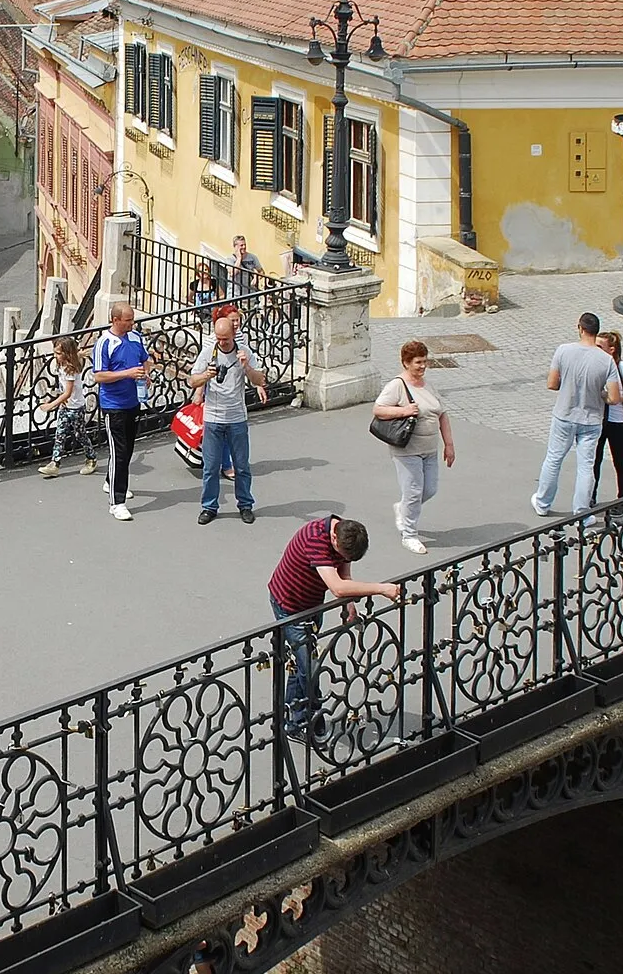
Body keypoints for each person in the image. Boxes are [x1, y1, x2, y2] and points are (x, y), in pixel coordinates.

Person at [267, 516, 402, 741]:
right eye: (342, 555)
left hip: (310, 605)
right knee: (310, 669)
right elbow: (338, 586)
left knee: (300, 664)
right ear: (333, 538)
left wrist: (349, 606)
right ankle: (305, 719)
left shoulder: (343, 534)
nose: (343, 559)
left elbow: (344, 575)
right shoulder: (315, 541)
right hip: (290, 606)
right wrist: (381, 589)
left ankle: (293, 719)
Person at [531, 312, 622, 519]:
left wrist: (569, 386)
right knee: (586, 466)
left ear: (579, 328)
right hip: (591, 420)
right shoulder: (606, 361)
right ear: (596, 331)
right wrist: (600, 393)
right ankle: (581, 511)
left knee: (554, 459)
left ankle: (543, 502)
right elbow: (615, 397)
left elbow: (552, 384)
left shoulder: (564, 351)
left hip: (564, 414)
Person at [372, 340, 458, 556]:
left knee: (429, 489)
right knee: (413, 491)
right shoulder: (397, 385)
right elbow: (378, 409)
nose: (422, 366)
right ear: (406, 363)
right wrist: (404, 411)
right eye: (418, 362)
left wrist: (449, 444)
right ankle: (409, 534)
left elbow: (442, 414)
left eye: (425, 362)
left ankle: (402, 509)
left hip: (430, 448)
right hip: (407, 449)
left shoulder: (427, 384)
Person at [189, 314, 267, 526]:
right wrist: (206, 376)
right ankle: (209, 507)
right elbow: (192, 379)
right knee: (211, 467)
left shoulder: (244, 352)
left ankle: (245, 505)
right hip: (213, 417)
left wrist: (247, 367)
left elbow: (260, 379)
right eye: (219, 338)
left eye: (225, 339)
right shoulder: (208, 352)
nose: (222, 342)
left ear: (233, 335)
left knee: (241, 466)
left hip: (236, 418)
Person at [92, 303, 150, 522]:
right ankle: (116, 502)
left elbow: (144, 360)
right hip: (113, 404)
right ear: (115, 320)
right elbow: (99, 376)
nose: (132, 323)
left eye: (132, 319)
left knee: (128, 448)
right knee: (119, 450)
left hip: (133, 401)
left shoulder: (135, 337)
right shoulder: (104, 343)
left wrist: (146, 373)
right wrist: (126, 373)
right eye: (128, 320)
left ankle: (111, 481)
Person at [34, 339, 100, 479]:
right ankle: (55, 463)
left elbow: (68, 392)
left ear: (66, 354)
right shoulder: (62, 364)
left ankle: (91, 458)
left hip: (75, 407)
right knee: (60, 434)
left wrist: (50, 405)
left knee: (79, 434)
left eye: (58, 353)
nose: (55, 356)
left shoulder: (70, 370)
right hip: (66, 405)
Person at [593, 330, 623, 502]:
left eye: (600, 346)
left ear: (611, 349)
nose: (595, 349)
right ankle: (591, 497)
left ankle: (622, 500)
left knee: (619, 462)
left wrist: (615, 397)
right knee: (594, 461)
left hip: (619, 422)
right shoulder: (596, 365)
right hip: (599, 420)